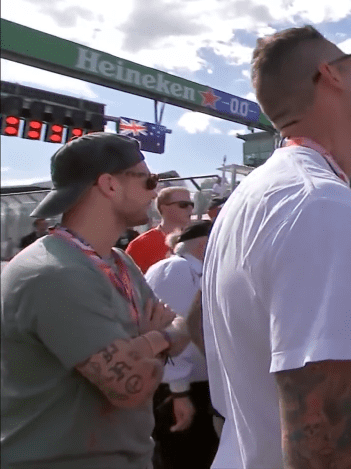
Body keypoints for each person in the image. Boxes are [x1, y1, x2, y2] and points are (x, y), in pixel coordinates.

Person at [202, 25, 351, 469]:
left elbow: (205, 329)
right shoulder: (320, 202)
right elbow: (320, 447)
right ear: (331, 74)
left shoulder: (249, 199)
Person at [0, 133, 192, 468]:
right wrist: (159, 338)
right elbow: (131, 387)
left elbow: (179, 328)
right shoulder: (55, 274)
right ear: (109, 185)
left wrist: (141, 345)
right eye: (149, 180)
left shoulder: (119, 261)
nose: (154, 192)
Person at [144, 220, 219, 469]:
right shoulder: (176, 269)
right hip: (180, 390)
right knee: (182, 459)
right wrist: (179, 392)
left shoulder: (195, 271)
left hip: (197, 388)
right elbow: (170, 332)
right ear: (203, 246)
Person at [126, 186, 195, 272]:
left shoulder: (199, 239)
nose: (190, 209)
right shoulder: (141, 245)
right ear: (163, 208)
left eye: (192, 205)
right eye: (183, 205)